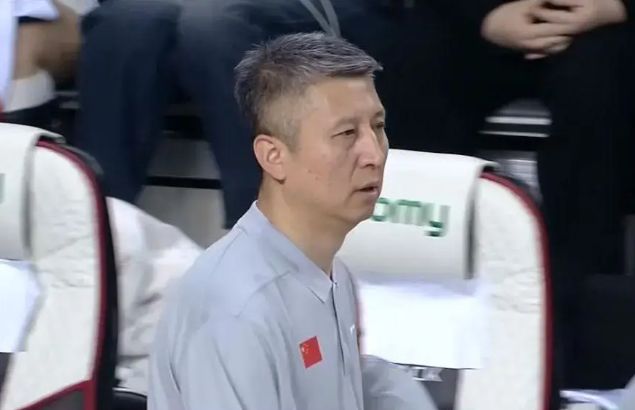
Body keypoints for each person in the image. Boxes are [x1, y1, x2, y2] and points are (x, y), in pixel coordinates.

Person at [149, 32, 436, 410]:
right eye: (347, 133)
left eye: (378, 127)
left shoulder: (335, 276)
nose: (374, 154)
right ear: (274, 157)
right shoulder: (236, 309)